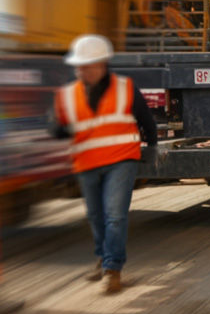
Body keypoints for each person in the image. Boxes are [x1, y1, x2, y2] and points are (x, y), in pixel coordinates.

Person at [51, 34, 157, 294]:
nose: (81, 71)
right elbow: (56, 127)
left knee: (115, 216)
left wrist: (152, 147)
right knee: (95, 215)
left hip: (121, 160)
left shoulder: (125, 88)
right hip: (86, 162)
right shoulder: (67, 94)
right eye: (78, 66)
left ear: (101, 65)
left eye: (86, 66)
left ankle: (113, 269)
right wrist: (60, 129)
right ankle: (102, 256)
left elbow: (146, 120)